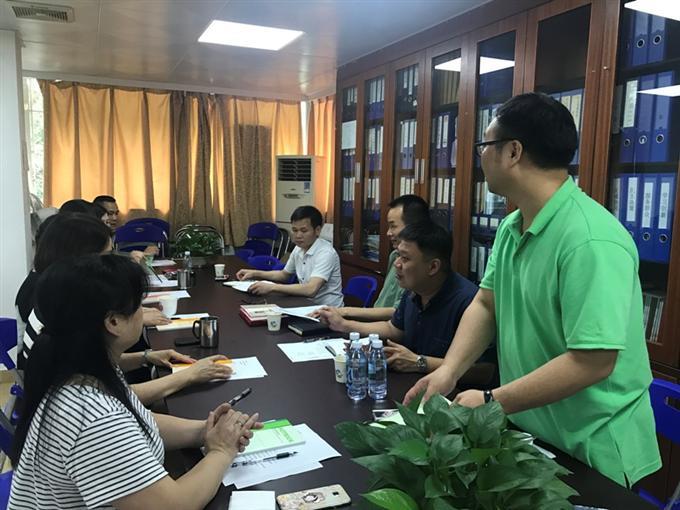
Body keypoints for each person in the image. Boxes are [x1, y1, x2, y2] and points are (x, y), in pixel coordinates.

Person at [404, 92, 661, 487]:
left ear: (513, 152)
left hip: (591, 448)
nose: (480, 156)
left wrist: (491, 400)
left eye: (484, 144)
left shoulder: (590, 240)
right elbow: (486, 305)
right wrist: (449, 372)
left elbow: (593, 361)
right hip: (533, 431)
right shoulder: (513, 227)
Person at [9, 254, 260, 509]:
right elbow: (173, 506)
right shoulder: (94, 417)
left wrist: (204, 431)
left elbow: (139, 420)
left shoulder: (82, 368)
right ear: (113, 322)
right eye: (139, 305)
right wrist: (222, 450)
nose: (143, 312)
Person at [15, 213, 232, 404]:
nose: (114, 263)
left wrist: (145, 357)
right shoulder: (56, 313)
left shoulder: (56, 298)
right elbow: (112, 401)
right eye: (107, 256)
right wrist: (187, 376)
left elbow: (88, 363)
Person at [319, 222, 494, 383]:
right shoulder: (414, 290)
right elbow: (394, 328)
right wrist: (344, 325)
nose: (396, 264)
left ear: (433, 267)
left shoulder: (469, 302)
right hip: (411, 384)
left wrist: (420, 362)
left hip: (451, 396)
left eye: (405, 258)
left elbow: (485, 371)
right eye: (398, 256)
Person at [318, 195, 430, 322]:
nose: (388, 233)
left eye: (393, 226)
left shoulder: (420, 265)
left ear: (413, 227)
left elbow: (397, 311)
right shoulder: (394, 256)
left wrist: (344, 312)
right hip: (377, 325)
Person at [236, 206, 344, 306]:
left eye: (304, 231)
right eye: (295, 230)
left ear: (317, 230)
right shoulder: (298, 248)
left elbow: (311, 289)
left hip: (329, 311)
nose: (298, 235)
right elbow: (284, 275)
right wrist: (254, 273)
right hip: (306, 305)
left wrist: (272, 287)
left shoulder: (326, 253)